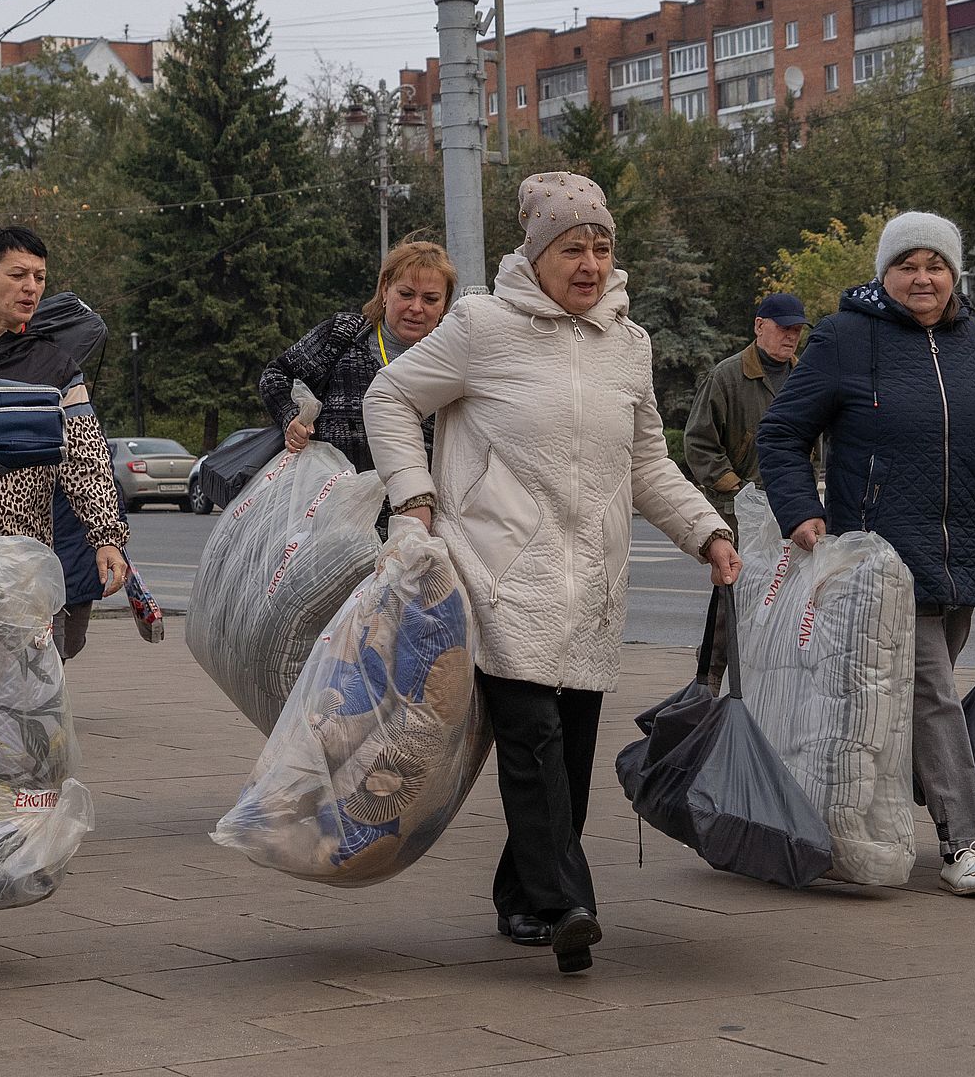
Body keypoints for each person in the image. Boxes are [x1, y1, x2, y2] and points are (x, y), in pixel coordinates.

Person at [365, 171, 741, 974]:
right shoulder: (480, 327)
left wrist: (706, 531)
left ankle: (520, 898)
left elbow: (647, 463)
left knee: (568, 754)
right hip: (499, 571)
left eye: (603, 247)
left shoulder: (627, 345)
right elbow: (390, 397)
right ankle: (568, 903)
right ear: (537, 255)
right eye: (574, 247)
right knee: (531, 741)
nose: (591, 263)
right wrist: (416, 500)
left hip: (594, 581)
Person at [758, 210, 975, 898]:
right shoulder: (844, 339)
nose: (923, 278)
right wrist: (802, 513)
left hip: (966, 554)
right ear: (885, 275)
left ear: (953, 274)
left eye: (935, 265)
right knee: (932, 693)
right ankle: (963, 844)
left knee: (906, 702)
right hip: (881, 562)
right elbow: (781, 435)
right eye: (908, 265)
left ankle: (836, 820)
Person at [0, 227, 129, 657]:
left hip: (21, 558)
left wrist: (107, 538)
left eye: (40, 277)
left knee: (17, 690)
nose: (31, 288)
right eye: (18, 275)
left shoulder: (55, 366)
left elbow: (86, 460)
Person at [685, 290, 809, 690]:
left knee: (780, 598)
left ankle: (765, 681)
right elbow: (699, 443)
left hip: (788, 508)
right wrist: (737, 490)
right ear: (759, 326)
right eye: (783, 328)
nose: (791, 337)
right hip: (738, 509)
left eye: (796, 330)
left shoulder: (804, 376)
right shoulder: (728, 376)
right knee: (730, 599)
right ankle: (707, 684)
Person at [259, 240, 455, 473]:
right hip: (331, 500)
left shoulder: (454, 360)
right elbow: (276, 375)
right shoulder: (342, 333)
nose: (416, 307)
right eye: (406, 294)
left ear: (444, 304)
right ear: (385, 290)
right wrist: (291, 416)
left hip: (416, 506)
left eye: (430, 299)